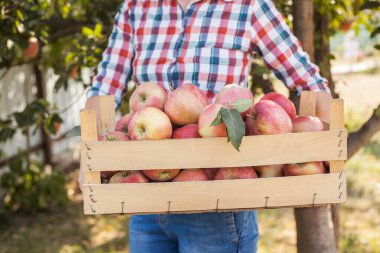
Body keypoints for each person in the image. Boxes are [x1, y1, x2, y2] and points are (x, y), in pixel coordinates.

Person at [84, 0, 331, 252]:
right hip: (145, 197)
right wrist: (90, 155)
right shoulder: (137, 7)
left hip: (219, 201)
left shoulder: (247, 6)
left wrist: (326, 154)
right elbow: (105, 84)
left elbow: (307, 78)